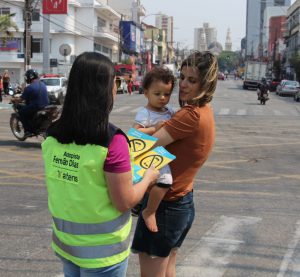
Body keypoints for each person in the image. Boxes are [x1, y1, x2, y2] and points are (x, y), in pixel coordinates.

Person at [41, 52, 159, 277]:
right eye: (114, 82)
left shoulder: (52, 135)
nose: (116, 87)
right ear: (104, 89)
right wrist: (148, 178)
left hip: (67, 244)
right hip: (103, 253)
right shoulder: (112, 141)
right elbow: (124, 201)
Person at [131, 51, 218, 277]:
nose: (184, 85)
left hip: (165, 207)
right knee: (168, 271)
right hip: (181, 202)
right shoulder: (204, 111)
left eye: (192, 80)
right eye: (182, 77)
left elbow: (141, 145)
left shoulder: (190, 115)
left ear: (205, 83)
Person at [132, 66, 176, 232]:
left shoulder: (170, 111)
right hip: (150, 154)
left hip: (163, 154)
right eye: (157, 94)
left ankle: (139, 203)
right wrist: (153, 129)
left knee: (156, 183)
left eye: (167, 94)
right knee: (165, 181)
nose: (162, 98)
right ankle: (149, 211)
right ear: (146, 93)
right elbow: (135, 132)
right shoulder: (145, 113)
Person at [11, 69, 49, 136]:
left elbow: (21, 100)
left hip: (36, 107)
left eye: (26, 77)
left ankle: (28, 131)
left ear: (30, 77)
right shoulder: (43, 84)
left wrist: (13, 99)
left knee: (21, 112)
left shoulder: (29, 87)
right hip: (45, 105)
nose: (26, 79)